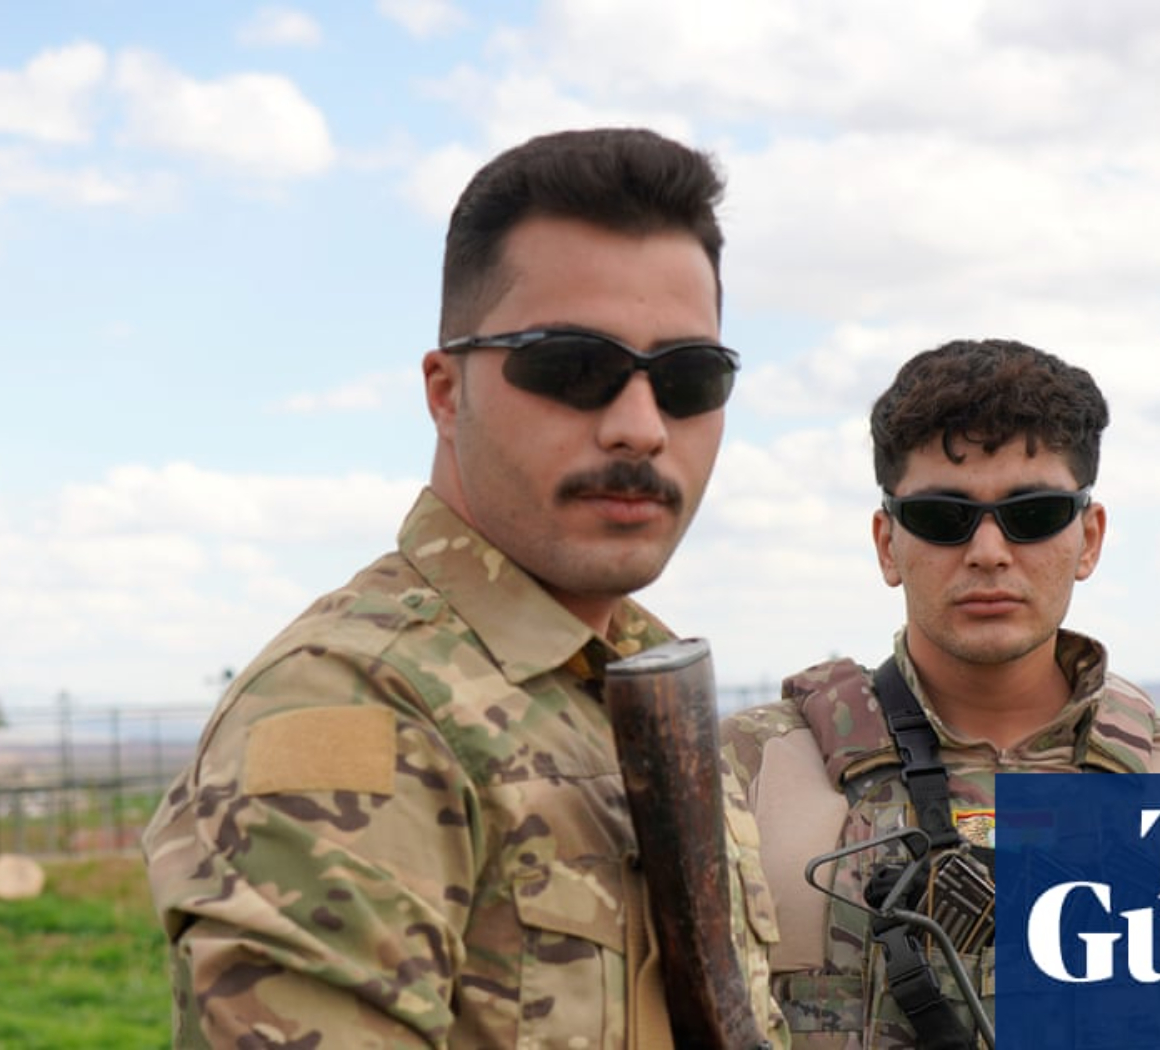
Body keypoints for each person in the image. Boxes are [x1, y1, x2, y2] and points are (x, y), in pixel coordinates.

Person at [144, 128, 786, 1049]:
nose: (641, 426)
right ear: (447, 393)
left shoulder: (638, 682)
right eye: (573, 367)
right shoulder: (357, 709)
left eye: (689, 378)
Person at [721, 339, 1160, 1049]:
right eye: (942, 517)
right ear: (886, 543)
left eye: (1033, 514)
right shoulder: (748, 775)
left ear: (1089, 539)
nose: (988, 552)